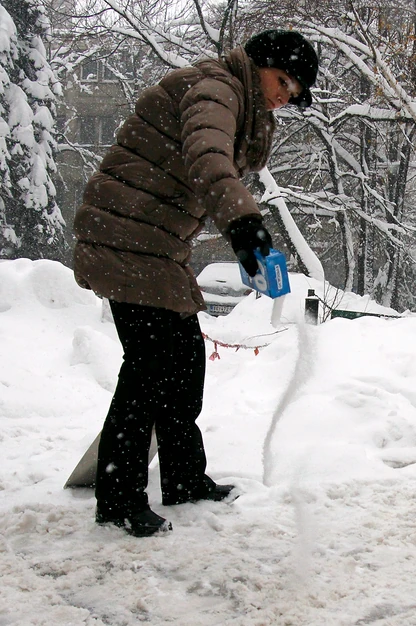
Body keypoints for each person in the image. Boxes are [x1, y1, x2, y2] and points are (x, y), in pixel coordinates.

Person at [71, 30, 318, 537]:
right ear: (261, 64)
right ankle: (117, 499)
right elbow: (208, 157)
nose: (284, 96)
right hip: (125, 236)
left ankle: (183, 477)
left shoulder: (234, 97)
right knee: (149, 366)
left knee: (183, 361)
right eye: (283, 81)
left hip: (155, 244)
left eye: (292, 93)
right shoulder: (217, 88)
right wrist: (245, 224)